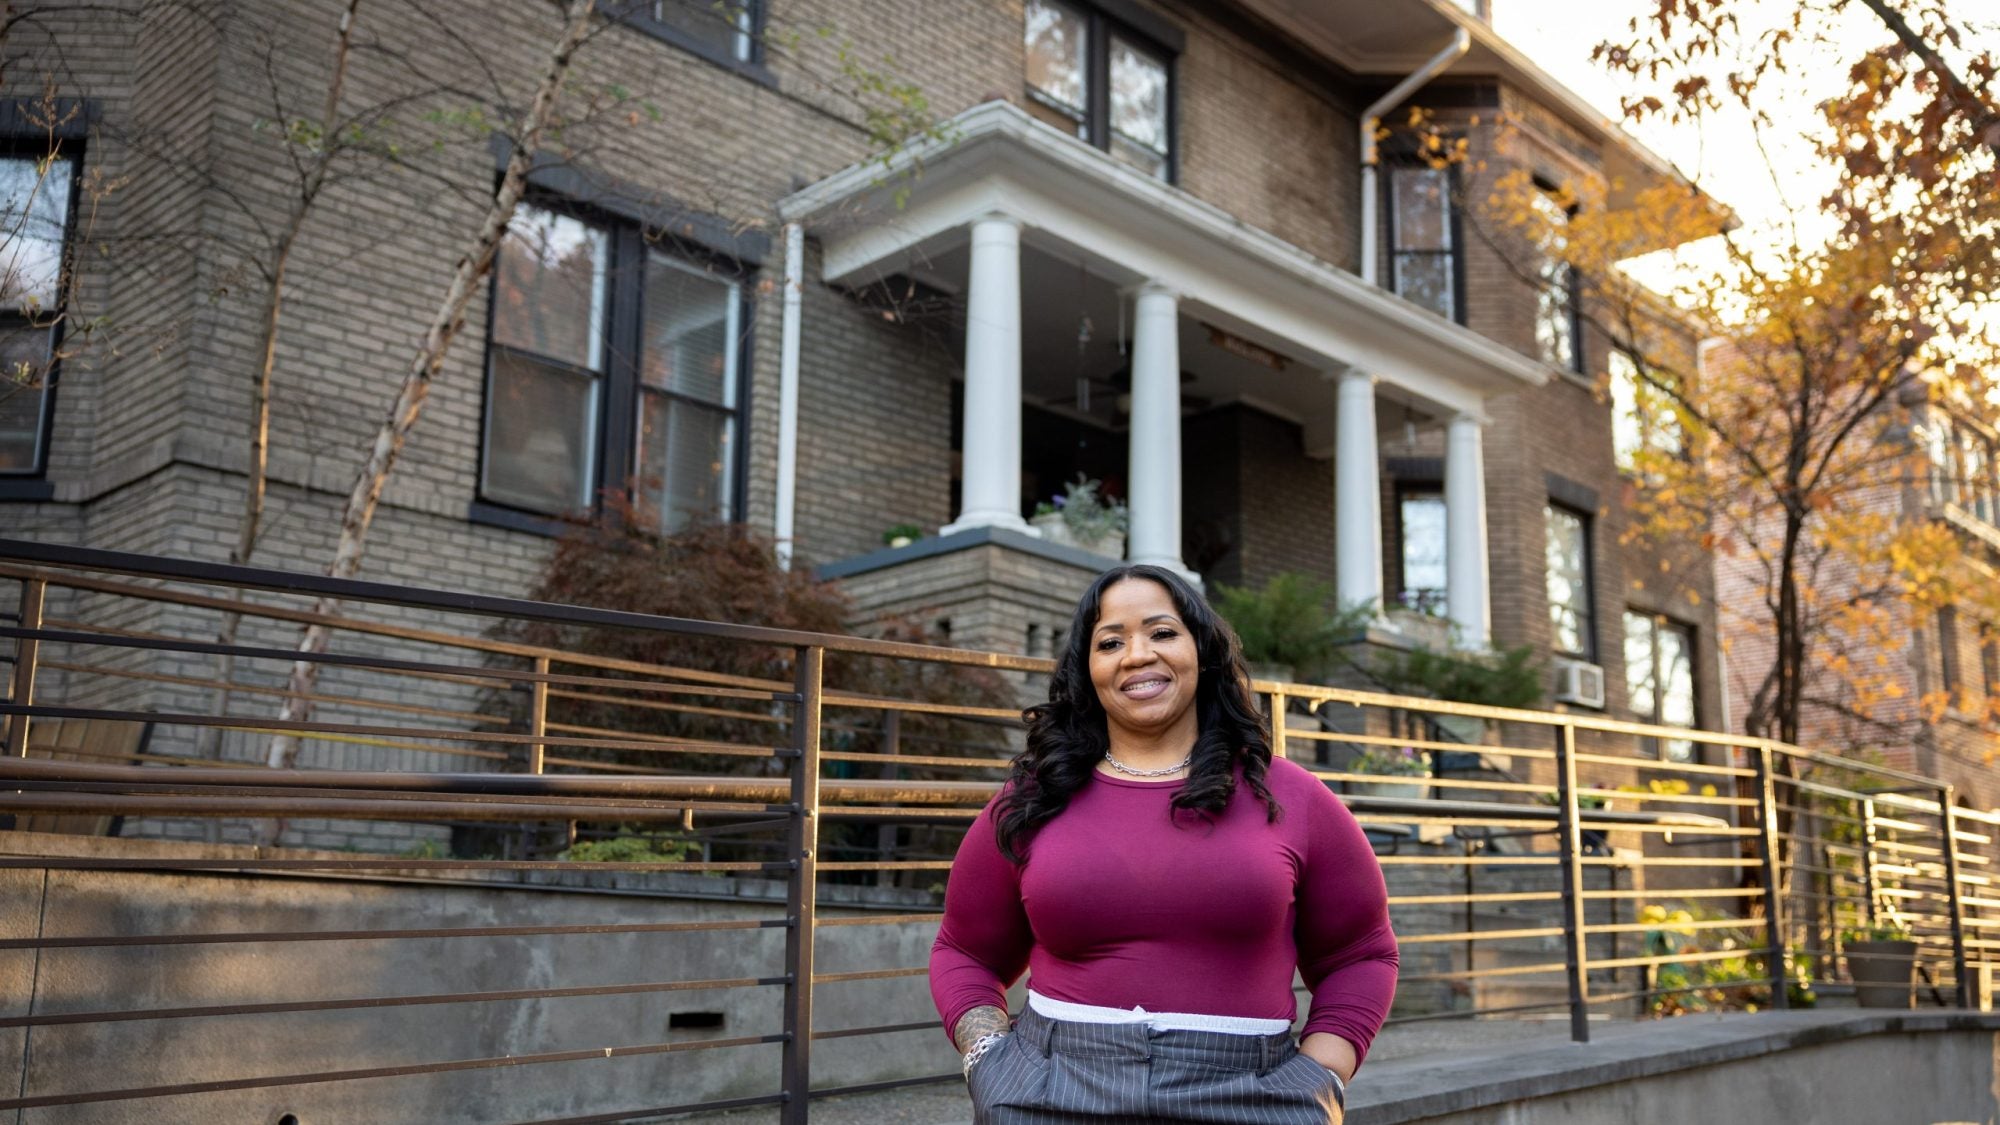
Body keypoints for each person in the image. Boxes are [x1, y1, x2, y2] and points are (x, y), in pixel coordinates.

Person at [928, 564, 1399, 1124]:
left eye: (1162, 632)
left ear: (1201, 650)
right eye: (1110, 642)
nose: (1136, 655)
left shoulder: (1294, 797)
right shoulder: (1032, 801)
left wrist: (1320, 1075)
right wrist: (990, 1060)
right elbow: (964, 951)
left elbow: (1361, 954)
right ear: (1089, 669)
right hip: (1049, 1094)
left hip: (1253, 1095)